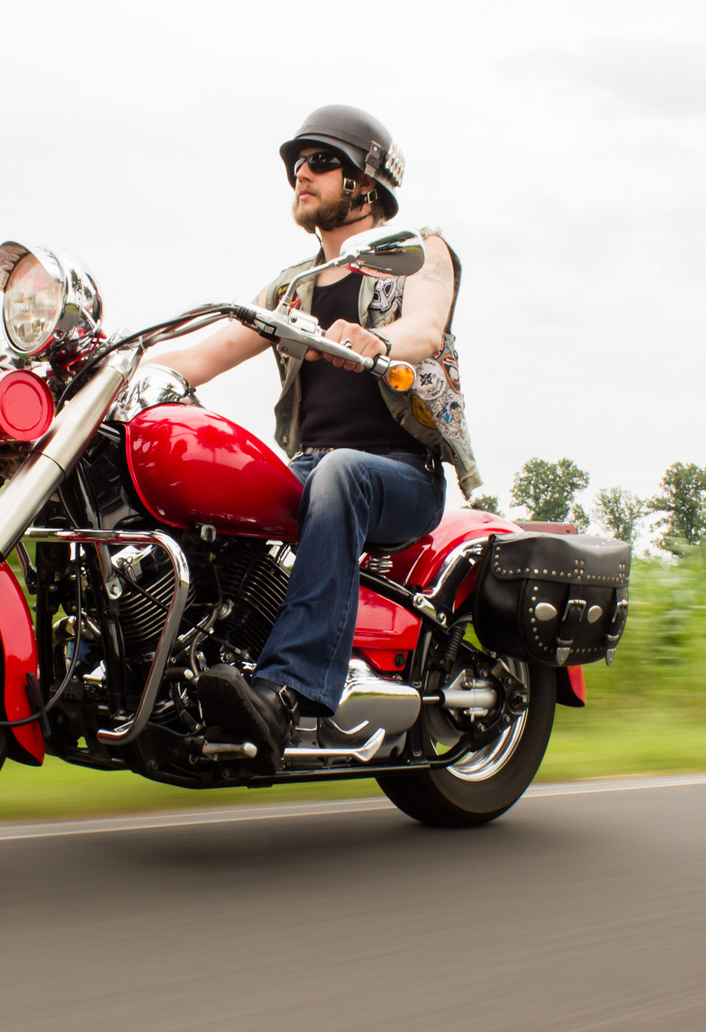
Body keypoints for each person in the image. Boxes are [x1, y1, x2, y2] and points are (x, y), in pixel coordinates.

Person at [149, 104, 480, 770]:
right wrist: (123, 365)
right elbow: (211, 349)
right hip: (309, 467)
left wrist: (375, 341)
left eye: (322, 160)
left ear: (367, 180)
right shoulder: (292, 288)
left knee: (341, 472)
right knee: (195, 480)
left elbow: (426, 330)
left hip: (399, 475)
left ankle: (292, 690)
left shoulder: (418, 251)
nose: (303, 172)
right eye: (297, 163)